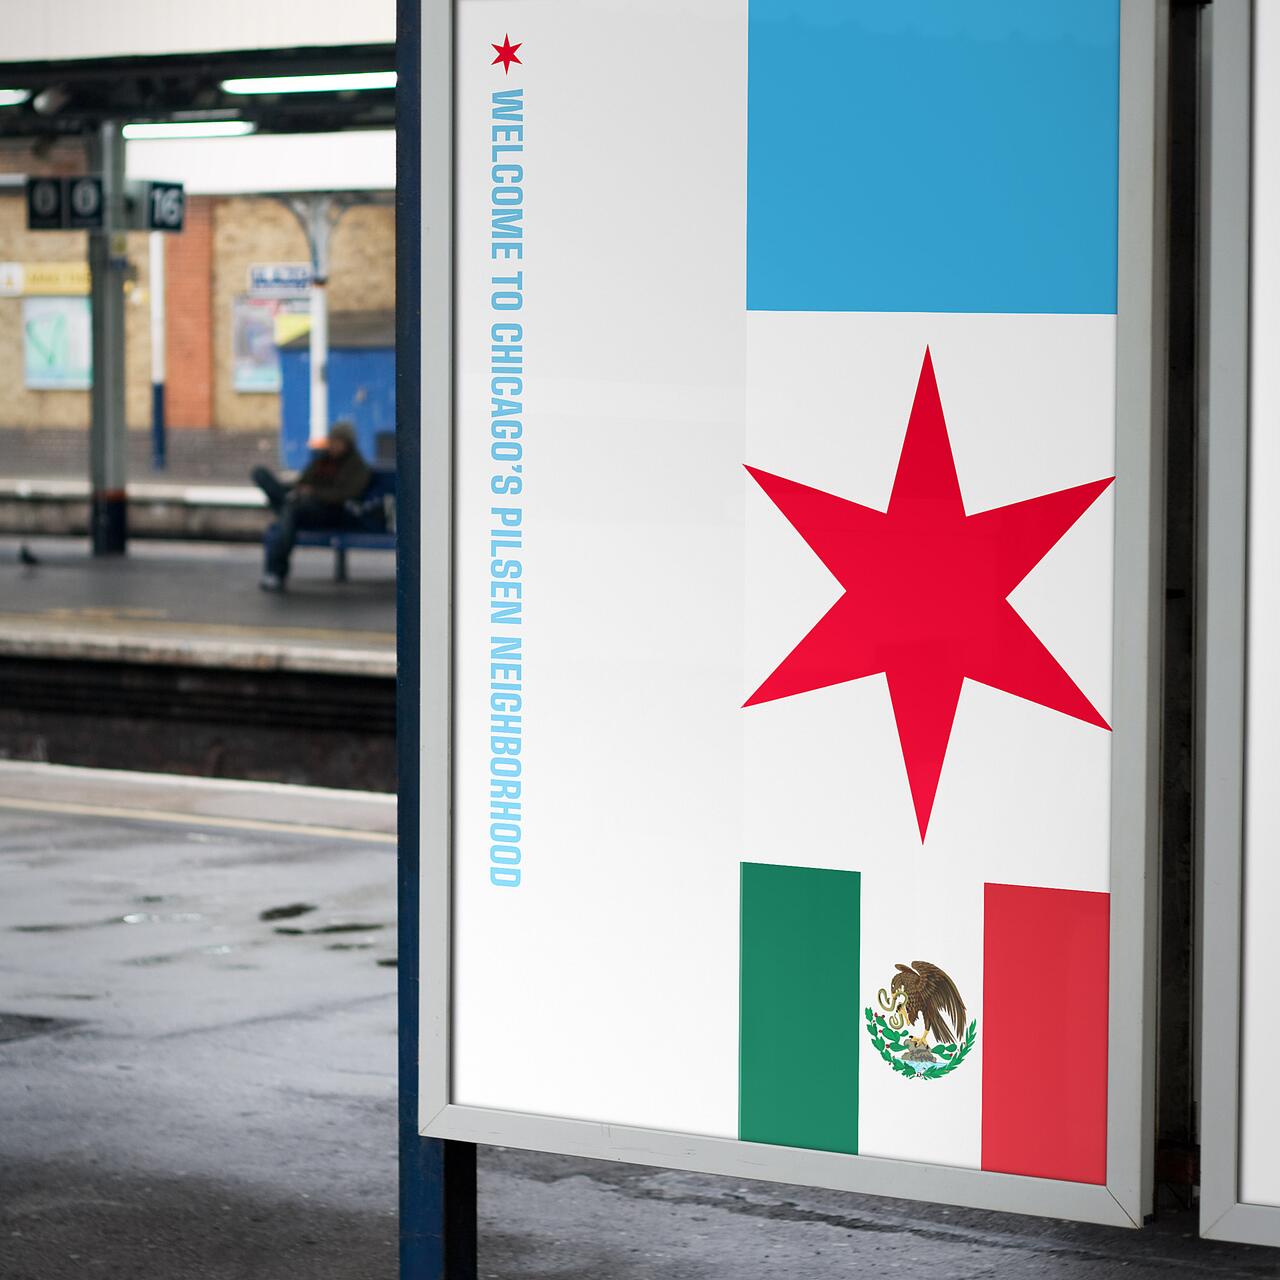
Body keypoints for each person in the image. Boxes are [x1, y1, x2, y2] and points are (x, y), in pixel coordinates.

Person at [251, 421, 381, 591]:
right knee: (264, 479)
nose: (333, 445)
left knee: (288, 513)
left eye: (337, 441)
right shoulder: (322, 461)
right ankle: (285, 502)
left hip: (331, 512)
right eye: (332, 440)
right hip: (304, 506)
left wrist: (314, 493)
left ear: (347, 443)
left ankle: (275, 572)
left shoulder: (357, 466)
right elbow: (303, 481)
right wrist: (301, 491)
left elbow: (347, 495)